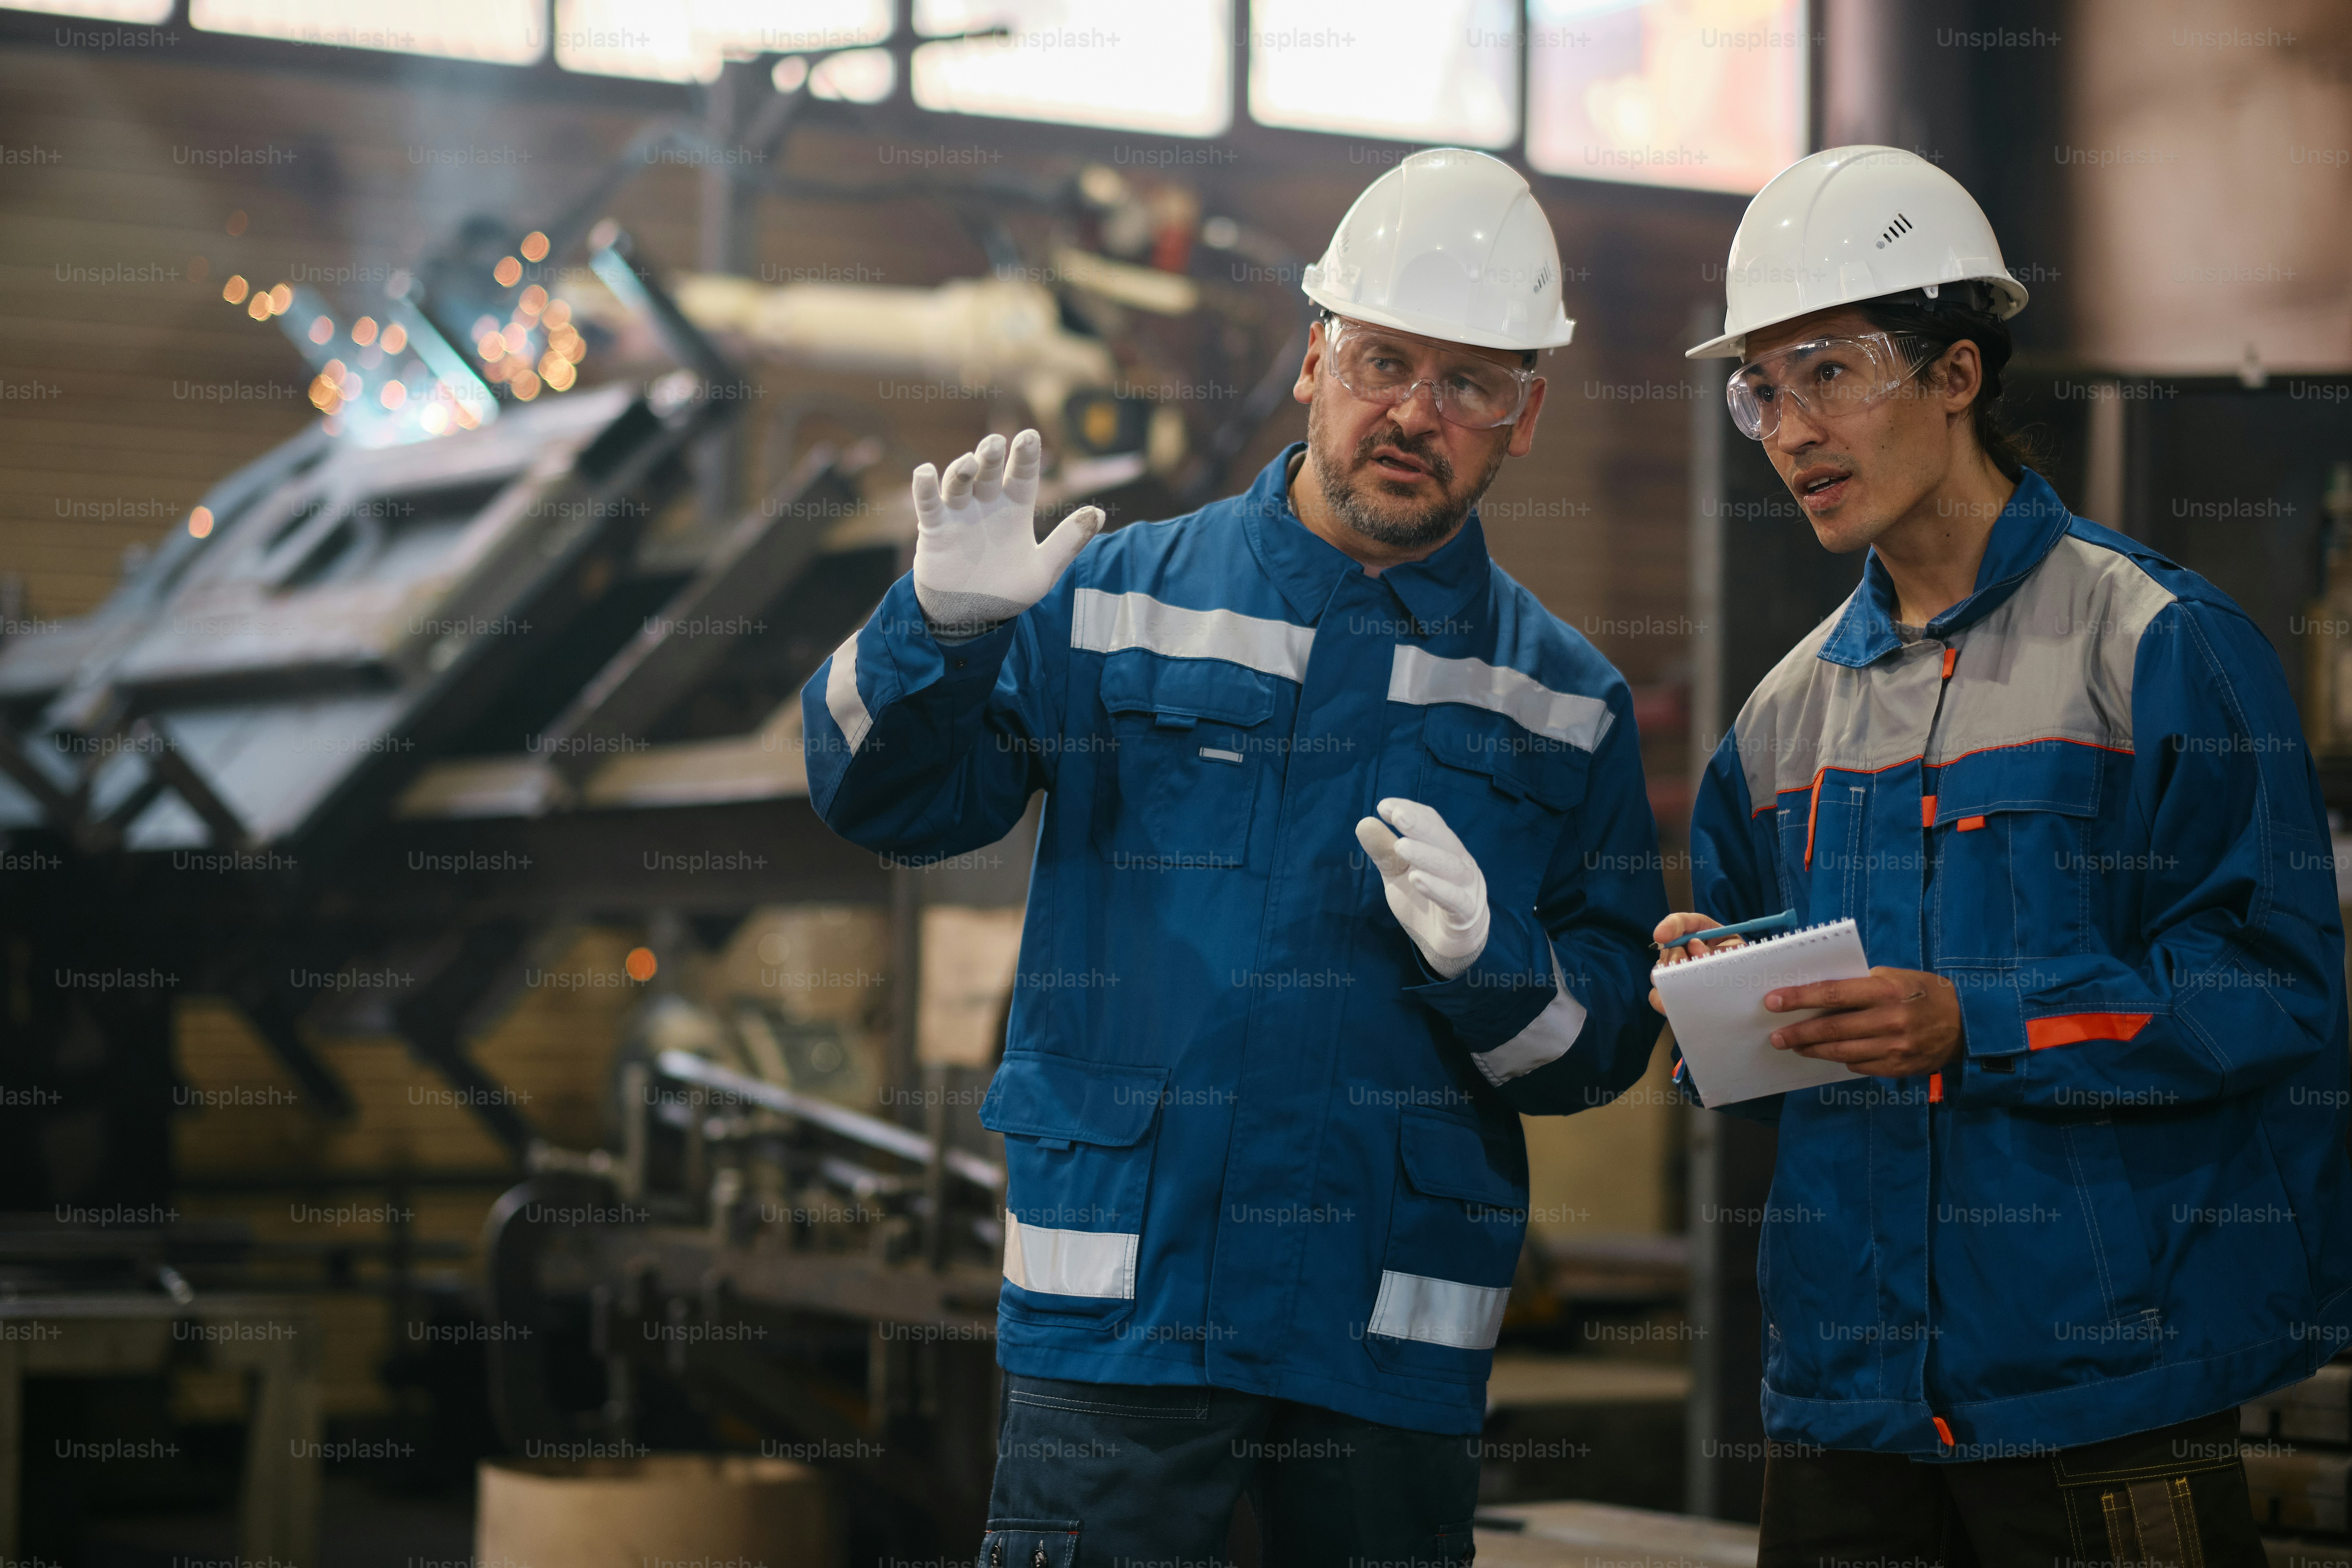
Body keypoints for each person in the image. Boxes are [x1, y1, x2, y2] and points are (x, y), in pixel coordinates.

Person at [801, 148, 1668, 1566]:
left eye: (1469, 382)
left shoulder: (1564, 701)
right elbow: (882, 801)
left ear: (1528, 413)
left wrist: (1495, 965)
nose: (1415, 412)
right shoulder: (1110, 601)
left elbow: (1604, 1037)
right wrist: (940, 630)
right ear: (1314, 359)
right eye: (1385, 360)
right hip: (1122, 1334)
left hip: (1383, 1356)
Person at [1656, 143, 2352, 1566]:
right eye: (1762, 390)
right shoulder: (1782, 718)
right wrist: (1707, 996)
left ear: (1957, 371)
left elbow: (2276, 986)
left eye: (1830, 373)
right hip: (1847, 1410)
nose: (1790, 429)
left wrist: (1980, 1021)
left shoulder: (2158, 645)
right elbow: (1753, 1050)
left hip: (2099, 1393)